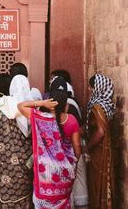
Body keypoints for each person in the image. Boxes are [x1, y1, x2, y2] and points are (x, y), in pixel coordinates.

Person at [18, 90, 81, 209]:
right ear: (65, 106)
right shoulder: (72, 120)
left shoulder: (41, 118)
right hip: (65, 174)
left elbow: (20, 106)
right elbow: (77, 147)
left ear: (50, 103)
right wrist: (73, 163)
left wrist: (42, 103)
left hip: (44, 176)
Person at [0, 74, 39, 208]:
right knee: (24, 198)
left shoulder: (1, 109)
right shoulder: (34, 110)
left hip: (3, 165)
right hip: (27, 164)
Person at [49, 76, 88, 208]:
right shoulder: (71, 114)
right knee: (73, 187)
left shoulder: (44, 115)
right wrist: (76, 158)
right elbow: (77, 142)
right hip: (69, 159)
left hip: (51, 162)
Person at [85, 73, 116, 209]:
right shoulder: (107, 105)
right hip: (106, 148)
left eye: (92, 88)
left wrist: (88, 146)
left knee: (99, 182)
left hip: (99, 149)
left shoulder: (98, 107)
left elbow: (100, 131)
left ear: (98, 88)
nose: (90, 90)